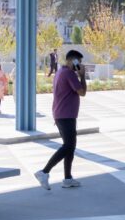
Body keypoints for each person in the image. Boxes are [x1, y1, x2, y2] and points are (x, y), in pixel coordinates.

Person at [35, 49, 87, 190]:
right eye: (78, 62)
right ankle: (44, 172)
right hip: (66, 115)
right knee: (68, 146)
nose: (80, 65)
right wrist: (82, 75)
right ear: (72, 60)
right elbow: (82, 92)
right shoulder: (69, 74)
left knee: (70, 147)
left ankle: (67, 178)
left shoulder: (60, 71)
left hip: (62, 114)